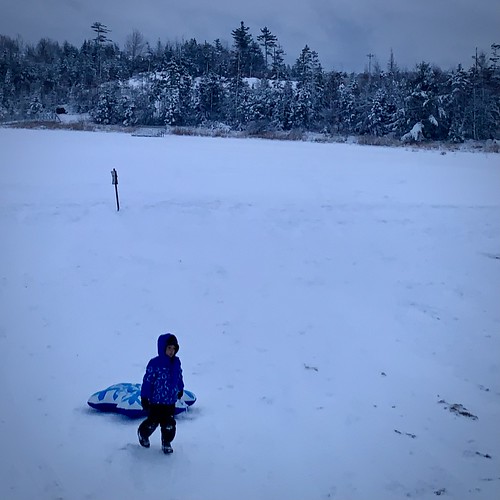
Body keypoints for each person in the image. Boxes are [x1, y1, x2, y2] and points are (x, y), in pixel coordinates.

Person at [138, 333, 184, 454]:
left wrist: (180, 389)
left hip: (170, 401)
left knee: (169, 424)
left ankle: (167, 442)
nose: (171, 351)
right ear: (162, 347)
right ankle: (143, 433)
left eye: (174, 348)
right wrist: (144, 397)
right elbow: (147, 381)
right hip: (156, 401)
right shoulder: (155, 363)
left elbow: (179, 376)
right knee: (153, 421)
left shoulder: (176, 363)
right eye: (169, 348)